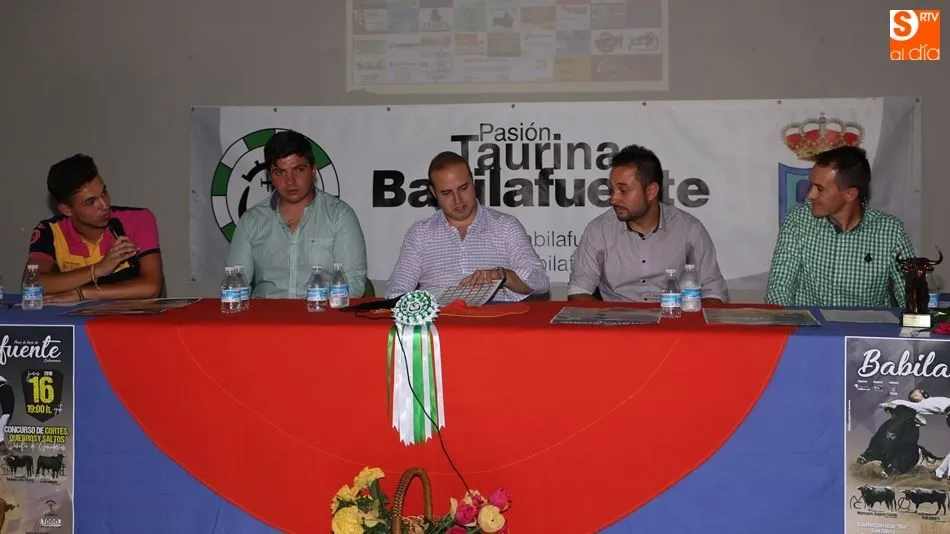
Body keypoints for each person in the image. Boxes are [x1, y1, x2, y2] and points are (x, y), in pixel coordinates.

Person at [568, 144, 729, 303]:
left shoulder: (689, 229)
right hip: (617, 323)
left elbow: (713, 293)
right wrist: (606, 323)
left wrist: (688, 327)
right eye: (612, 191)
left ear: (651, 191)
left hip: (673, 322)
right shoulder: (599, 230)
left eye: (623, 190)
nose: (614, 199)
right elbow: (579, 291)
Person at [386, 151, 549, 301]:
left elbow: (540, 281)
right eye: (447, 193)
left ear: (473, 183)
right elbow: (396, 291)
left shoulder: (505, 226)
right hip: (439, 324)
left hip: (493, 323)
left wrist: (503, 275)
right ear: (433, 193)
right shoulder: (420, 233)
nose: (458, 200)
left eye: (463, 188)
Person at [765, 146, 915, 308]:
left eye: (820, 189)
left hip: (864, 331)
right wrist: (783, 325)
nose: (810, 195)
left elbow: (911, 295)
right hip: (809, 331)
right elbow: (779, 288)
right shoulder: (798, 221)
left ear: (850, 194)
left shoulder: (891, 232)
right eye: (812, 185)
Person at [226, 130, 367, 298]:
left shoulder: (339, 216)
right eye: (280, 172)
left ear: (313, 170)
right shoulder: (251, 221)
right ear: (269, 176)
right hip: (266, 321)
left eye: (298, 170)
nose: (290, 181)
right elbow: (235, 284)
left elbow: (353, 285)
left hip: (321, 318)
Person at [26, 154, 164, 302]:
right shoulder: (50, 231)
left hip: (132, 322)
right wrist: (98, 269)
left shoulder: (138, 219)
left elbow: (151, 287)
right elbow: (32, 284)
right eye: (90, 202)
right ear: (66, 210)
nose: (105, 206)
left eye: (104, 193)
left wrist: (82, 294)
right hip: (80, 323)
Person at [881, 388, 950, 480]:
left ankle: (939, 473)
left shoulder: (931, 400)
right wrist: (890, 404)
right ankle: (941, 473)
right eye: (919, 392)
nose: (922, 391)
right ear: (916, 396)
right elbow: (901, 403)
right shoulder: (921, 405)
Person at [0, 376, 13, 452]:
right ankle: (1, 443)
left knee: (1, 425)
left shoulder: (5, 388)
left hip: (6, 413)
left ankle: (1, 443)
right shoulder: (6, 388)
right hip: (7, 413)